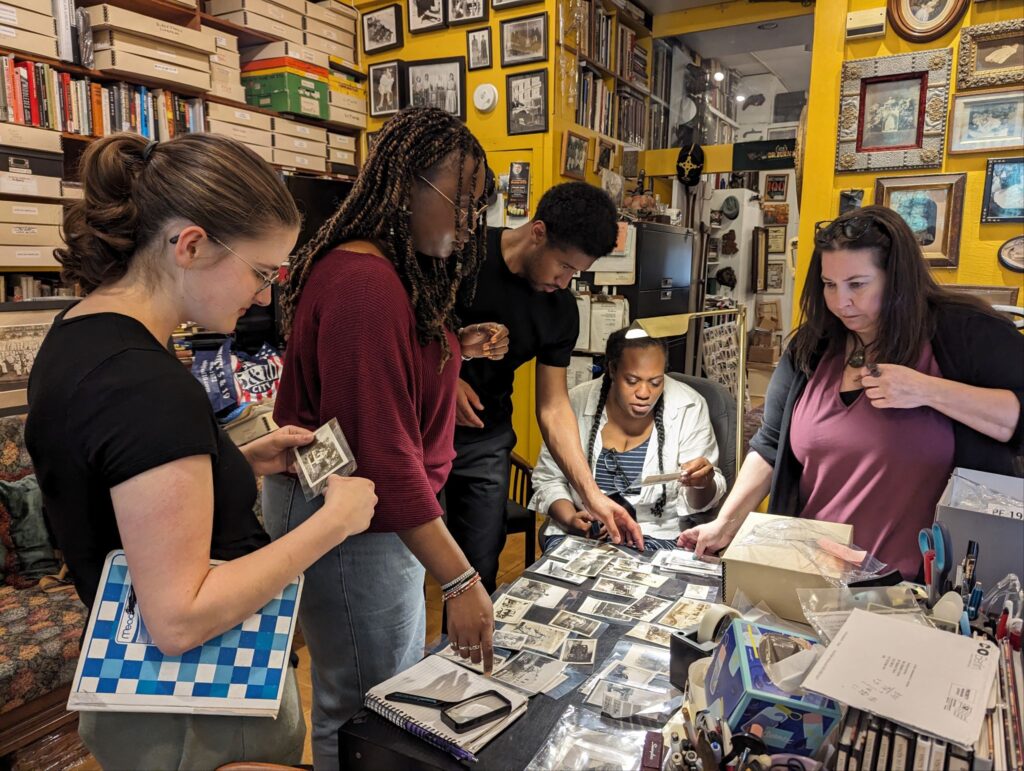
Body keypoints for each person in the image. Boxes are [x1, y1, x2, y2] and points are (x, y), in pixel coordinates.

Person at [25, 133, 377, 769]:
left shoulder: (80, 334)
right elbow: (180, 616)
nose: (267, 297)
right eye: (262, 272)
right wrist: (334, 523)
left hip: (149, 692)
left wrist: (237, 461)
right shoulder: (146, 385)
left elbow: (123, 493)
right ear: (190, 245)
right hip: (199, 703)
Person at [267, 107, 508, 769]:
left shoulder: (385, 272)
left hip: (373, 514)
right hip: (353, 517)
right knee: (364, 704)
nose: (469, 222)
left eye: (478, 205)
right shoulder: (365, 282)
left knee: (380, 690)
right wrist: (459, 579)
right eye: (461, 202)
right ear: (406, 189)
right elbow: (376, 450)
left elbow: (381, 383)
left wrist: (449, 358)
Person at [680, 206, 1024, 579]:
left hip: (923, 588)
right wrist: (726, 524)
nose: (841, 302)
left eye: (857, 285)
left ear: (897, 280)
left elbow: (1016, 418)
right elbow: (770, 446)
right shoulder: (811, 348)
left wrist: (927, 390)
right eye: (830, 285)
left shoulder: (966, 334)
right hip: (811, 574)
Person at [445, 181, 645, 594]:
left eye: (577, 272)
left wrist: (590, 493)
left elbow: (553, 407)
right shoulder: (461, 255)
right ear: (538, 233)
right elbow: (400, 333)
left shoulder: (559, 309)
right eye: (564, 266)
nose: (566, 280)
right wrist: (444, 377)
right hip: (416, 429)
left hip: (485, 439)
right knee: (405, 568)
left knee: (476, 572)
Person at [531, 328, 727, 550]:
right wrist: (570, 519)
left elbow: (700, 506)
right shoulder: (576, 401)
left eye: (655, 382)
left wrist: (703, 483)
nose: (644, 393)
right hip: (583, 536)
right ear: (612, 369)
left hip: (656, 535)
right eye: (632, 380)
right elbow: (549, 479)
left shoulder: (688, 406)